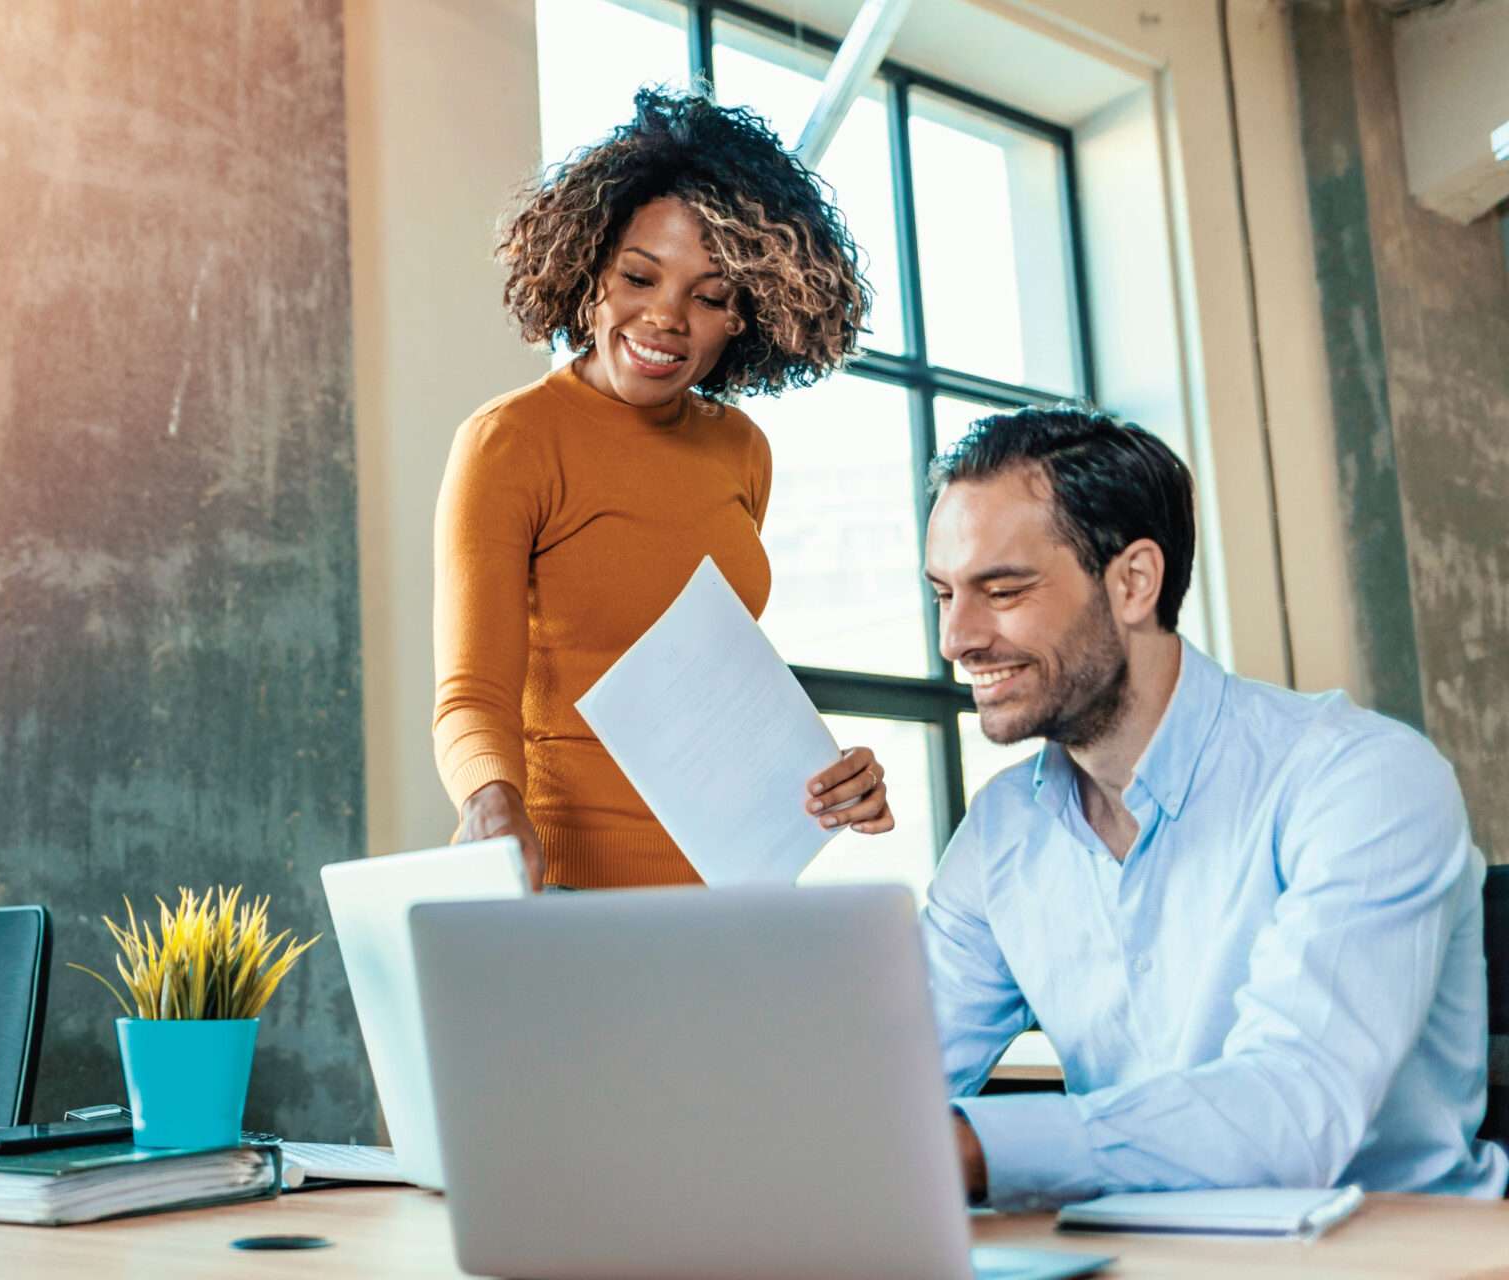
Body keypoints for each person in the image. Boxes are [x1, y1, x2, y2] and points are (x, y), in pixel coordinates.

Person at [919, 405, 1508, 1208]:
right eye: (943, 595)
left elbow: (1292, 1117)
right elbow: (890, 1077)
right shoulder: (1000, 833)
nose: (957, 637)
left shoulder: (1361, 780)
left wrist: (969, 1149)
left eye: (1003, 589)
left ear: (1133, 582)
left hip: (1391, 1257)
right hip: (1146, 1254)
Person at [432, 89, 889, 891]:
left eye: (709, 297)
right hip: (562, 886)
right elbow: (471, 695)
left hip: (727, 891)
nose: (665, 319)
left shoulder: (741, 451)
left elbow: (712, 687)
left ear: (746, 316)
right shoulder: (512, 441)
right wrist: (491, 803)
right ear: (588, 269)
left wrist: (829, 777)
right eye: (639, 277)